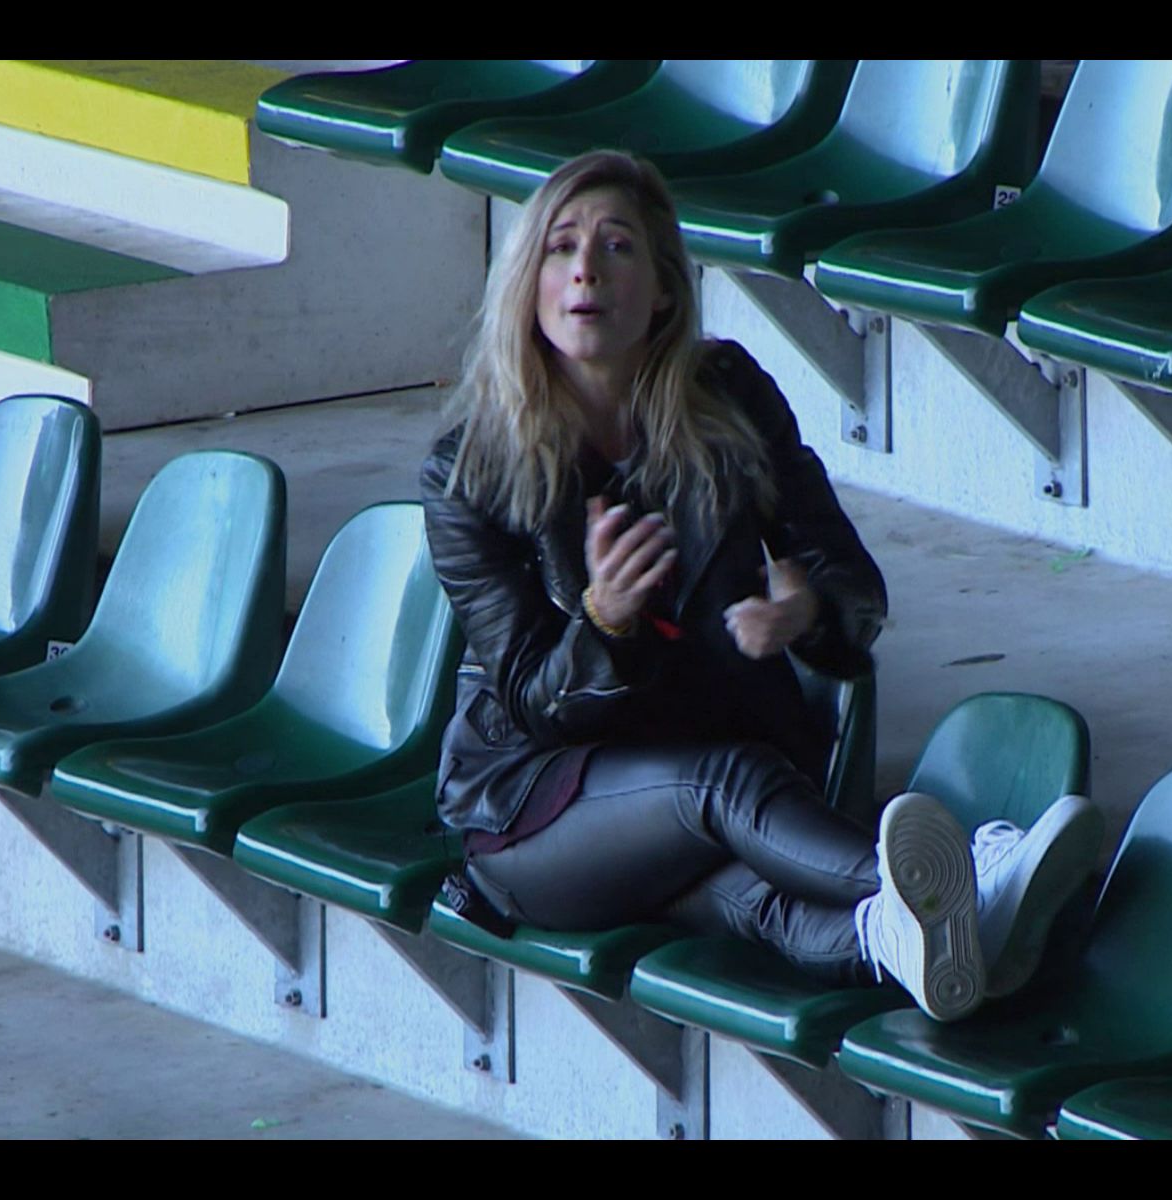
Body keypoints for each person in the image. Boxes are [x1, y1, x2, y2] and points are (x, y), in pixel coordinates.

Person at [420, 150, 1100, 1021]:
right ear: (528, 285)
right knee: (723, 784)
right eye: (560, 247)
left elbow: (852, 582)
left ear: (664, 291)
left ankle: (934, 941)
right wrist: (604, 621)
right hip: (535, 814)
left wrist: (806, 610)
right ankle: (970, 878)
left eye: (617, 245)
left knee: (763, 901)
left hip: (709, 781)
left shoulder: (728, 395)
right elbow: (528, 698)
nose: (586, 268)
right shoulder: (469, 472)